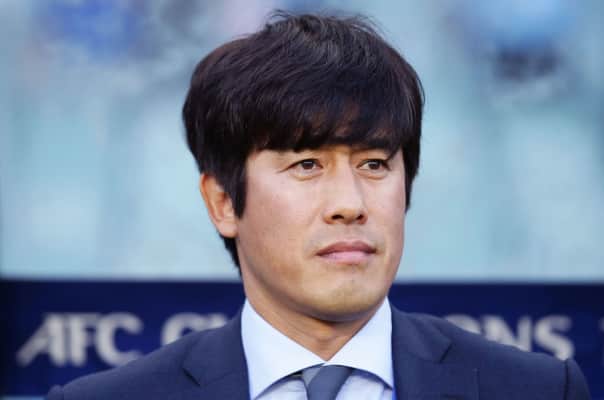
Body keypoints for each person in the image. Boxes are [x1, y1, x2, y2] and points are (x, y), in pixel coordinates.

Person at [47, 11, 591, 400]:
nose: (350, 205)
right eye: (307, 165)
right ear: (222, 202)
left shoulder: (539, 390)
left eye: (374, 164)